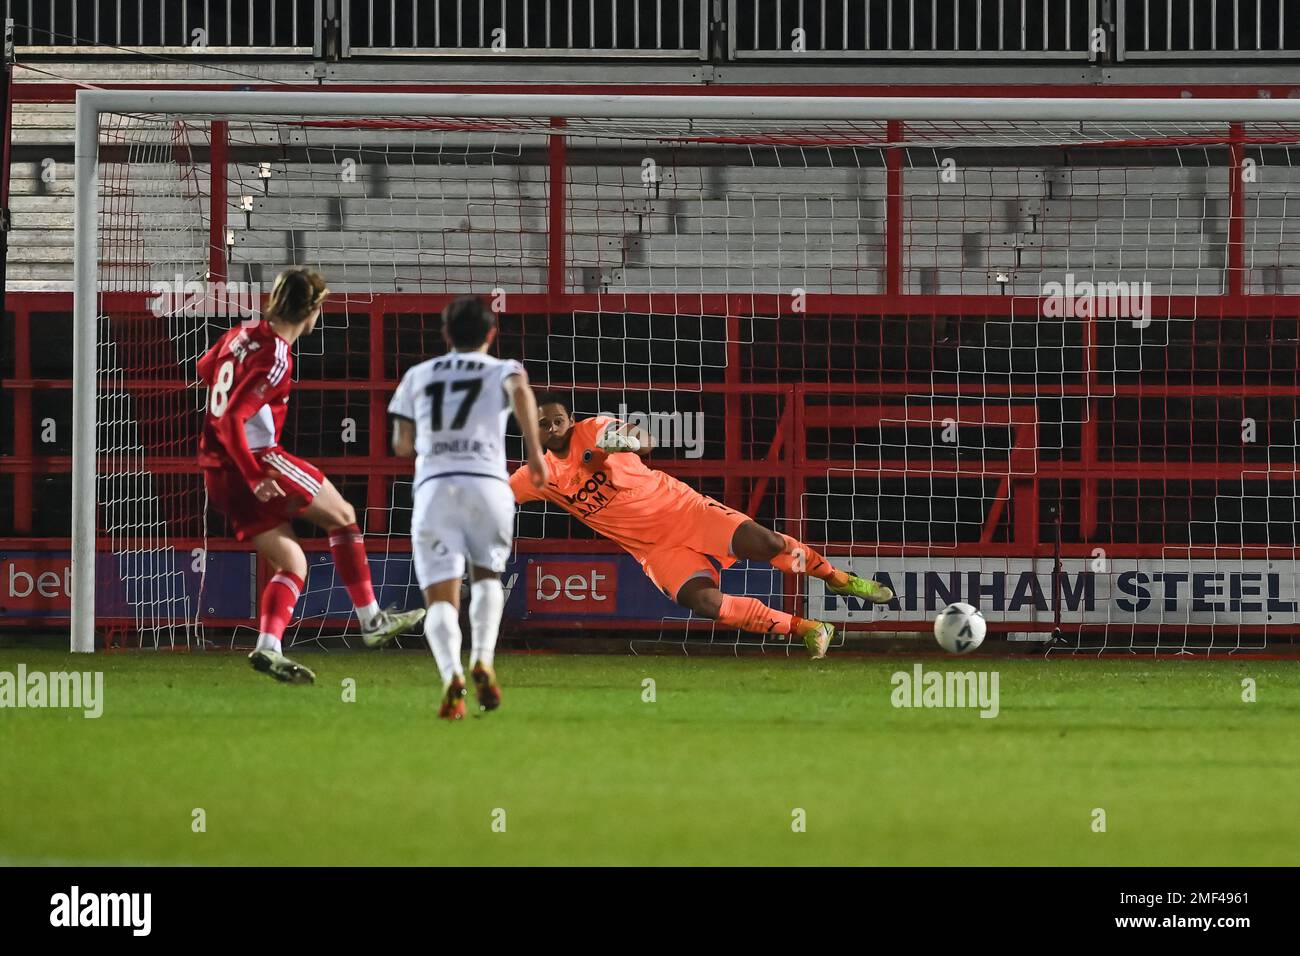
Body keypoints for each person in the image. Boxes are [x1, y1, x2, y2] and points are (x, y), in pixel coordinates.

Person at [509, 397, 893, 658]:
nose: (554, 426)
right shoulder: (536, 475)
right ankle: (809, 628)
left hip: (684, 509)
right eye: (544, 424)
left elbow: (646, 440)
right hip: (654, 550)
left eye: (559, 419)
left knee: (768, 542)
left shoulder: (594, 429)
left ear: (570, 420)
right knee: (707, 604)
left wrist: (623, 440)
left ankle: (838, 578)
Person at [197, 266, 425, 683]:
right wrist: (254, 472)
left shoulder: (241, 333)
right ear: (312, 310)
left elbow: (204, 365)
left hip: (215, 469)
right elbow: (232, 418)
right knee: (342, 514)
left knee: (292, 562)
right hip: (258, 460)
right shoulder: (276, 357)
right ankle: (371, 619)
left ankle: (268, 647)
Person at [389, 295, 548, 719]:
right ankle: (483, 658)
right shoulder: (504, 369)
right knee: (487, 578)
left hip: (436, 489)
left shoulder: (417, 375)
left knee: (441, 599)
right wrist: (534, 455)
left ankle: (450, 678)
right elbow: (520, 389)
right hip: (488, 487)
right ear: (491, 335)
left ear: (445, 334)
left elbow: (401, 445)